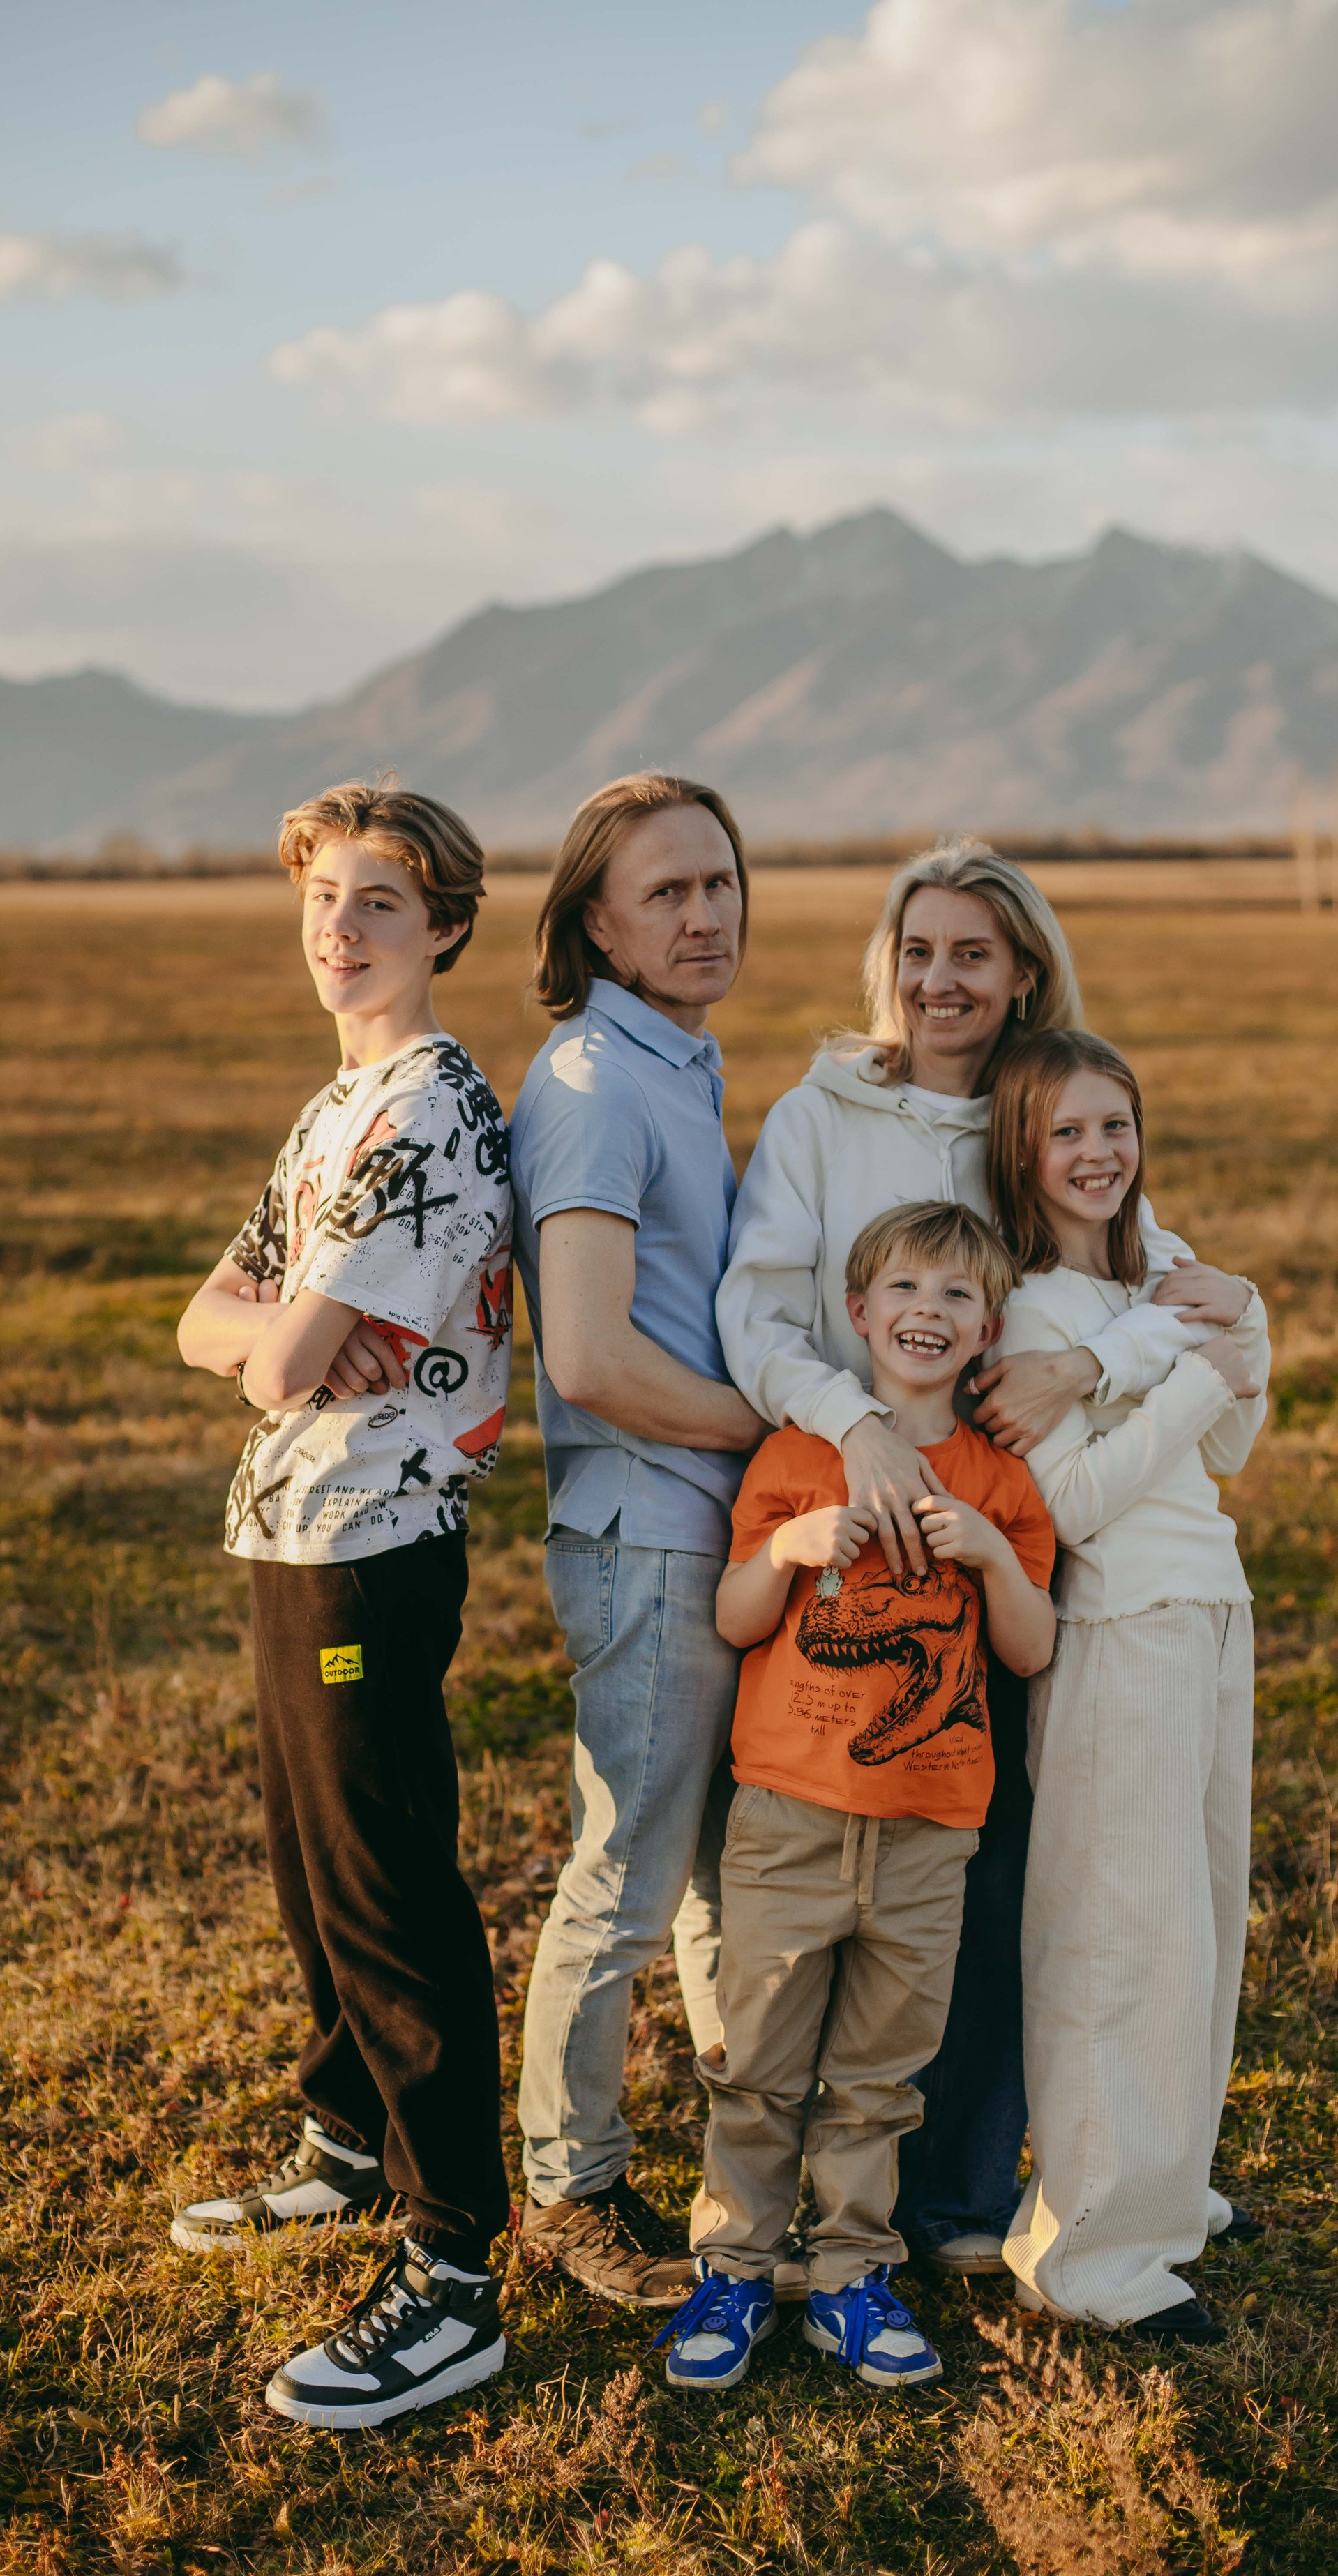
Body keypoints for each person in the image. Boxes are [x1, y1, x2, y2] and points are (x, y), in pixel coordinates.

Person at [715, 838, 1233, 2270]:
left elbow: (1136, 1254)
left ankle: (948, 2189)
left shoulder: (1027, 1112)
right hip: (837, 1509)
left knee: (991, 1858)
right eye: (916, 951)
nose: (939, 981)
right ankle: (779, 2196)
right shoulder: (824, 1115)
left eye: (972, 956)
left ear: (1021, 978)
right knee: (809, 1853)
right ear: (886, 965)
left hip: (1005, 1532)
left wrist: (1098, 1363)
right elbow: (755, 1320)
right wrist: (852, 1431)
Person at [170, 780, 516, 2430]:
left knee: (385, 1887)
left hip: (374, 1530)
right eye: (322, 897)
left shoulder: (426, 1113)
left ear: (443, 926)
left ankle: (455, 2267)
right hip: (289, 1524)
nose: (340, 927)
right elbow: (206, 1328)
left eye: (381, 900)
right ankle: (342, 2145)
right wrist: (270, 1333)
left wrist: (278, 1338)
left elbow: (287, 1359)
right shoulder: (333, 1109)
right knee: (308, 1869)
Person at [654, 1203, 1055, 2391]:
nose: (928, 1313)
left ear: (987, 1330)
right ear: (859, 1313)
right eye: (906, 1292)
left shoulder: (1002, 1484)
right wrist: (789, 1548)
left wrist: (985, 1548)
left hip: (933, 1834)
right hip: (790, 1819)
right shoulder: (795, 1458)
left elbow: (1030, 1650)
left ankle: (850, 2275)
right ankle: (734, 2270)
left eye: (956, 1298)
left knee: (883, 2074)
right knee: (762, 2064)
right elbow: (733, 1620)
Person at [510, 771, 767, 2308]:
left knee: (716, 1874)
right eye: (664, 890)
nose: (701, 911)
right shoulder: (596, 1084)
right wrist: (771, 1431)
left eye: (719, 882)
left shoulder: (680, 1062)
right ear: (593, 922)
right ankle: (568, 2191)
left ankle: (752, 2161)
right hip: (643, 1535)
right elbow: (591, 1359)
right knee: (625, 1870)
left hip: (700, 1533)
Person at [988, 1030, 1269, 2340]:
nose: (1097, 1155)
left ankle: (1174, 2187)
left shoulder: (1160, 1270)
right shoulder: (1035, 1313)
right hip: (1123, 1627)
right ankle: (1093, 2254)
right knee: (1123, 1933)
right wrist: (1185, 1369)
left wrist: (1234, 1319)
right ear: (1024, 1155)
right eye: (1068, 1135)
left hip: (1214, 1608)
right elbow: (1077, 1505)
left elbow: (1236, 1432)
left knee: (1203, 1917)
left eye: (1117, 1126)